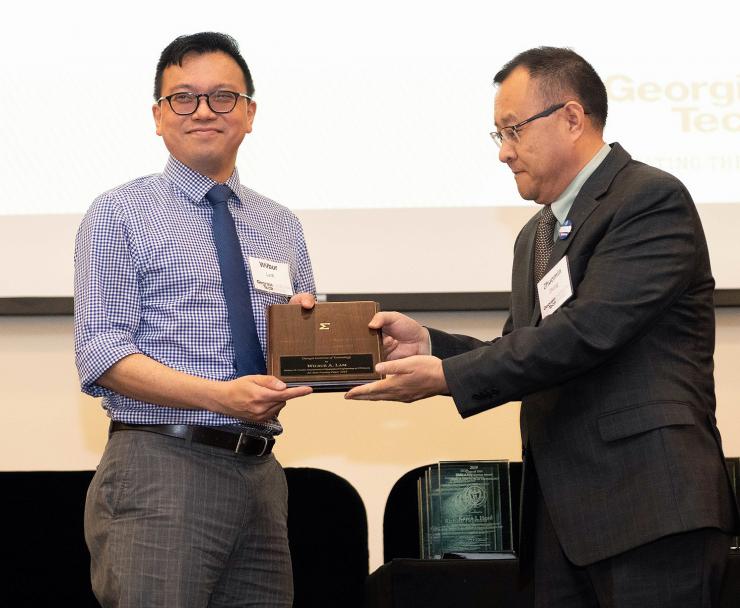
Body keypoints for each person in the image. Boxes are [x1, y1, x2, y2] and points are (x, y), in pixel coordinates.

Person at [346, 47, 740, 607]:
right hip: (562, 524)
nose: (504, 152)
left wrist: (445, 375)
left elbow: (586, 332)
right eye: (497, 136)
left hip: (649, 508)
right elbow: (521, 350)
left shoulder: (649, 199)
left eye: (513, 130)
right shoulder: (536, 234)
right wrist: (432, 345)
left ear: (572, 118)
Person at [74, 32, 315, 608]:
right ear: (158, 116)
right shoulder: (118, 214)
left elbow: (303, 346)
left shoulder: (281, 225)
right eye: (183, 98)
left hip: (261, 474)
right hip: (160, 468)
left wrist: (325, 341)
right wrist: (221, 397)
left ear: (250, 113)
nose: (204, 110)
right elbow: (102, 354)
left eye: (223, 97)